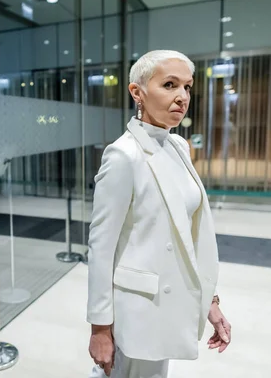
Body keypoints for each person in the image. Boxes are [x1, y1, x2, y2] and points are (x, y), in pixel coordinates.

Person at [87, 50, 231, 378]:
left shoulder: (178, 146)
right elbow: (100, 247)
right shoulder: (123, 155)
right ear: (137, 92)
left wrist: (209, 300)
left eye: (187, 87)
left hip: (170, 305)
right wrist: (99, 328)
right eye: (169, 84)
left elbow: (184, 236)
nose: (182, 97)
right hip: (138, 311)